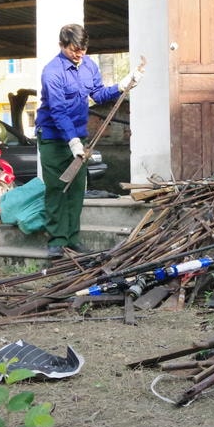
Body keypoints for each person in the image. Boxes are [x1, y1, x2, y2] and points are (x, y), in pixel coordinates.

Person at [36, 24, 143, 259]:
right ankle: (56, 240)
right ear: (62, 45)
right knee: (57, 189)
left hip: (78, 136)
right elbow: (58, 110)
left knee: (76, 190)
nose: (79, 54)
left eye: (83, 49)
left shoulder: (89, 66)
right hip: (54, 138)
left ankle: (72, 239)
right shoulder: (52, 72)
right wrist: (72, 141)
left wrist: (122, 86)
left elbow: (98, 94)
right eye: (75, 50)